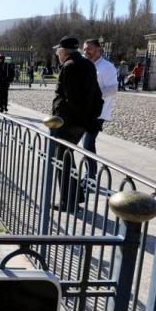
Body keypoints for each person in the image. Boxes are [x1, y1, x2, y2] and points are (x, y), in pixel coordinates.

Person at [50, 36, 103, 212]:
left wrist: (62, 117)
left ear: (63, 52)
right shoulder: (88, 64)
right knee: (67, 156)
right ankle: (75, 196)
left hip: (68, 122)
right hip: (81, 121)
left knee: (62, 159)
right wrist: (90, 119)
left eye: (59, 52)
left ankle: (68, 201)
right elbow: (97, 95)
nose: (58, 55)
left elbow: (72, 99)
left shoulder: (70, 66)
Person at [81, 39, 118, 190]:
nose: (86, 52)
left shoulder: (107, 67)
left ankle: (90, 178)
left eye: (89, 49)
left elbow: (113, 89)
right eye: (84, 49)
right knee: (86, 143)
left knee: (88, 143)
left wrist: (93, 95)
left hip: (98, 112)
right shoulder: (85, 64)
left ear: (98, 49)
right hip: (84, 111)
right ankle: (90, 176)